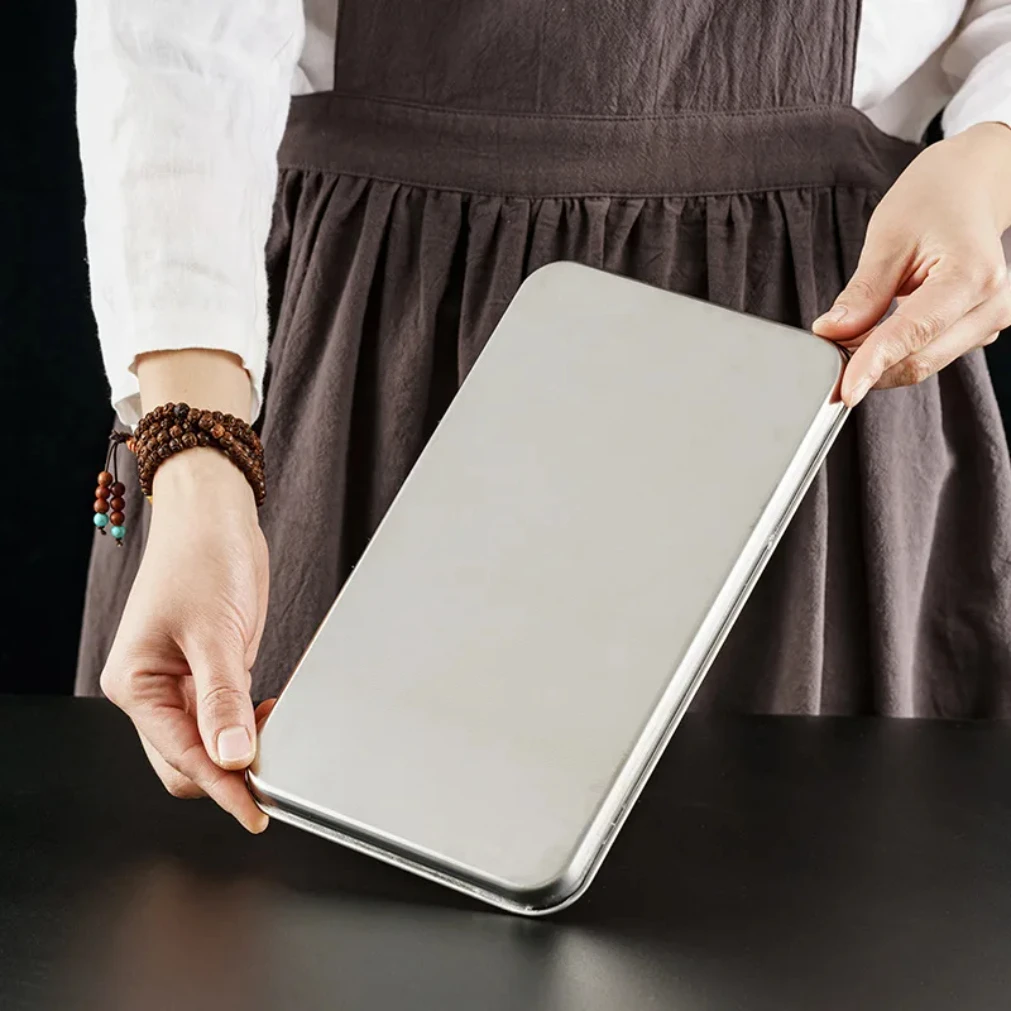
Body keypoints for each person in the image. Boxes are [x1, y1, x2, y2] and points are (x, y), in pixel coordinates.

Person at [75, 0, 1011, 832]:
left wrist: (989, 157)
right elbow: (173, 40)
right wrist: (199, 466)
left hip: (812, 378)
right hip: (368, 353)